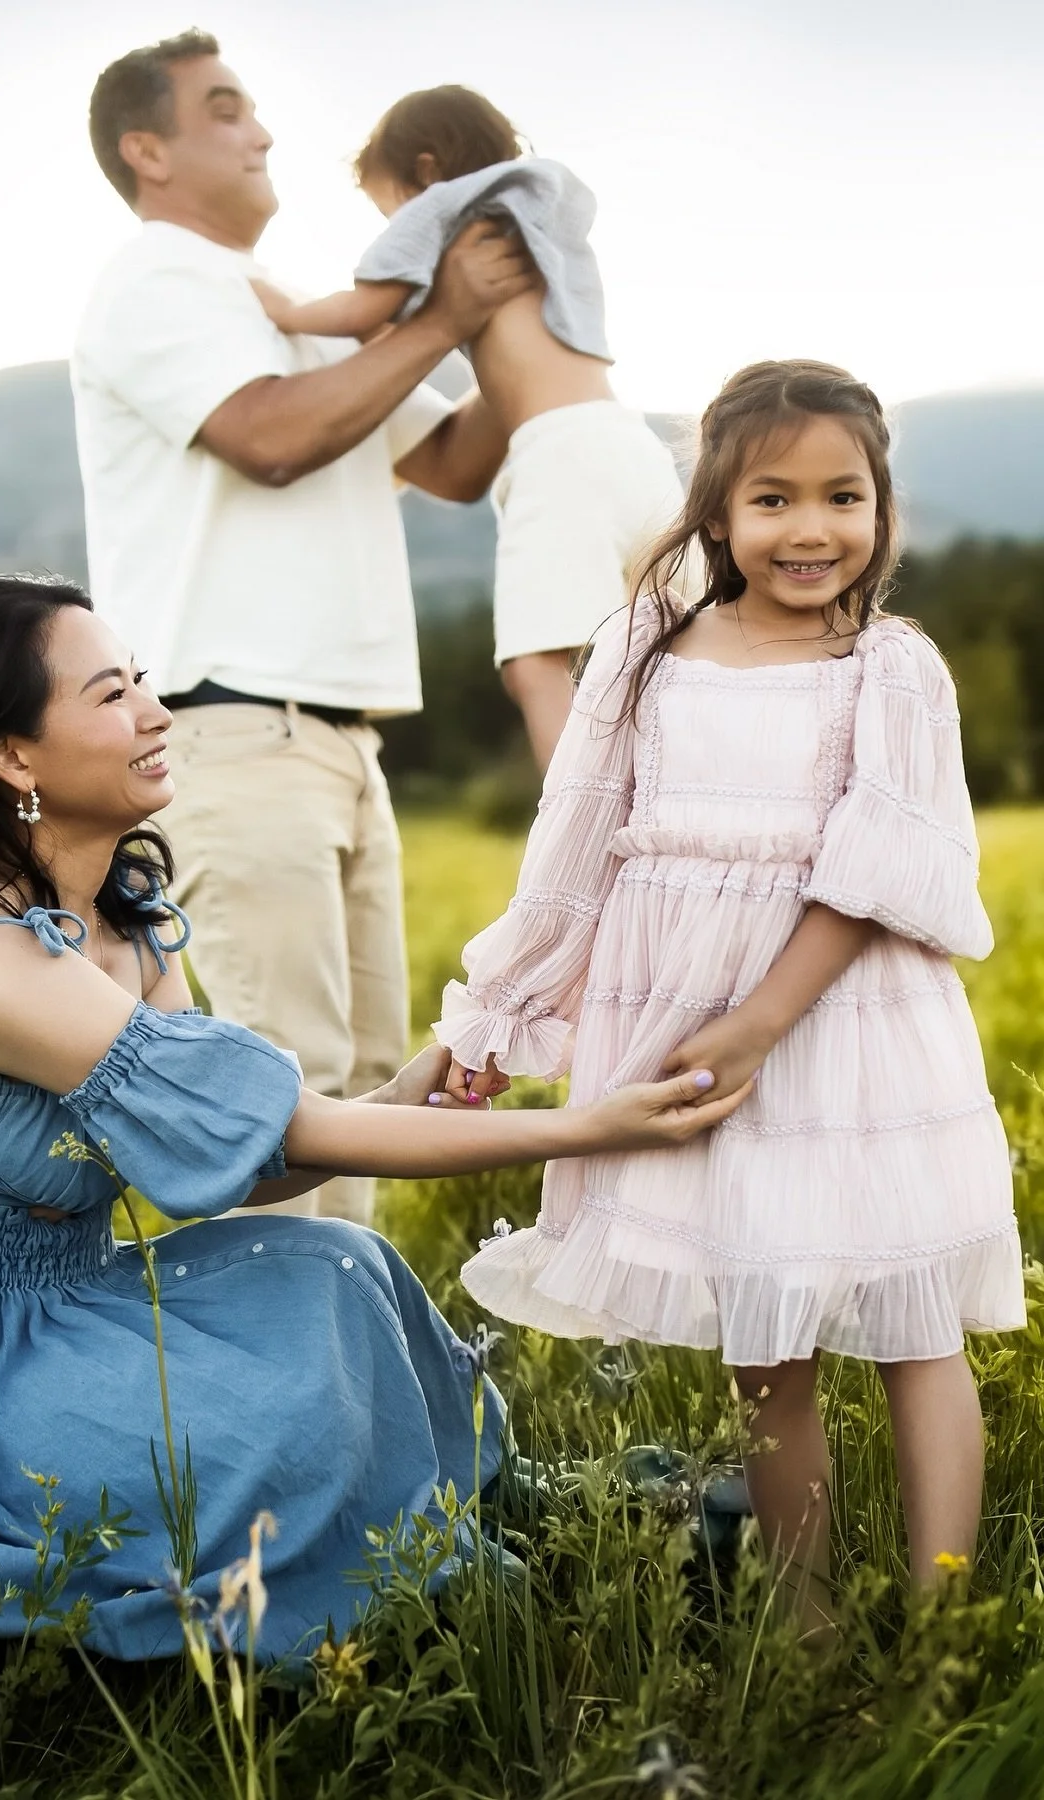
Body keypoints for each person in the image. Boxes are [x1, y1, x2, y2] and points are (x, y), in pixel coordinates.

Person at [0, 576, 750, 1684]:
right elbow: (298, 1125)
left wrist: (413, 1085)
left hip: (62, 1300)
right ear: (15, 758)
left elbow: (242, 1160)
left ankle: (491, 1508)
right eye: (114, 694)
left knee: (341, 1268)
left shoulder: (118, 916)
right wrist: (593, 1128)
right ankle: (431, 1567)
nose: (157, 714)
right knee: (285, 1430)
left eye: (145, 685)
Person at [433, 363, 1026, 1634]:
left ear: (881, 509)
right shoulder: (645, 653)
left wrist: (761, 1020)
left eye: (843, 497)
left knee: (918, 1318)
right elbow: (576, 849)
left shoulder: (890, 666)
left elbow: (879, 868)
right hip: (688, 1025)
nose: (812, 529)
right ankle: (805, 1627)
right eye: (774, 498)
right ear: (717, 512)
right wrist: (497, 1012)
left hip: (849, 1025)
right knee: (768, 1338)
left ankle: (941, 1623)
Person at [72, 34, 532, 1230]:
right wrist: (439, 324)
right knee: (289, 1088)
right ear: (148, 149)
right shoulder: (157, 279)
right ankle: (272, 1408)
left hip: (338, 744)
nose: (262, 132)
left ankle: (351, 1388)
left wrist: (514, 302)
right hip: (231, 727)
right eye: (225, 110)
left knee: (371, 1079)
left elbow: (456, 459)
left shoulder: (307, 317)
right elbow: (269, 438)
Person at [251, 84, 689, 772]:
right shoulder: (537, 216)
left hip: (559, 455)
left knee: (537, 667)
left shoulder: (449, 211)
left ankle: (575, 839)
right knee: (681, 650)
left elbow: (370, 311)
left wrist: (285, 311)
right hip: (633, 449)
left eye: (386, 204)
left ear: (424, 170)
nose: (394, 222)